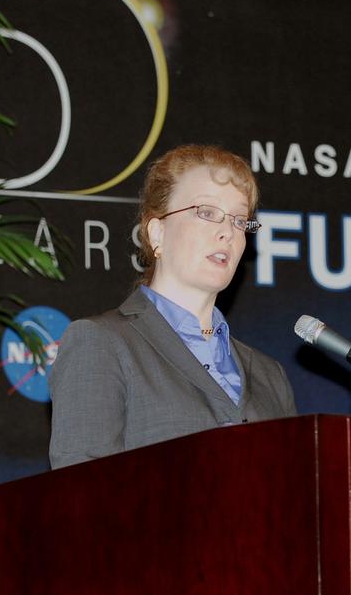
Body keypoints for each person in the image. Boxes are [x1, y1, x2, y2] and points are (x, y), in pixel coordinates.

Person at [48, 145, 298, 468]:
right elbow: (79, 500)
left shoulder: (270, 375)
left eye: (239, 221)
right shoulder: (102, 343)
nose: (227, 232)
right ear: (157, 232)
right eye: (207, 212)